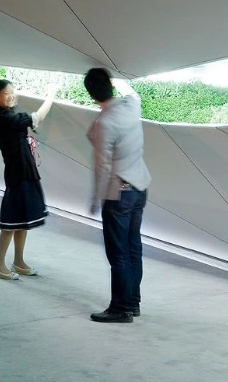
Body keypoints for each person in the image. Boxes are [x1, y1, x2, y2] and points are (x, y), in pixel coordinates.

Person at [84, 67, 151, 323]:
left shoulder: (104, 123)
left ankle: (120, 308)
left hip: (118, 193)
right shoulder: (132, 105)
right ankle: (132, 303)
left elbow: (103, 167)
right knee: (133, 248)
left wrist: (95, 199)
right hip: (140, 187)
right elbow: (133, 92)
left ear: (91, 95)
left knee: (118, 253)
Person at [0, 79, 58, 280]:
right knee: (11, 222)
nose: (11, 95)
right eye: (6, 93)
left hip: (25, 170)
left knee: (22, 220)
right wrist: (51, 94)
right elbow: (38, 117)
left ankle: (18, 261)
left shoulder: (5, 116)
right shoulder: (4, 117)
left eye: (12, 92)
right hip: (18, 174)